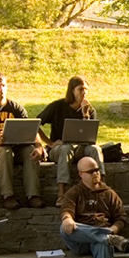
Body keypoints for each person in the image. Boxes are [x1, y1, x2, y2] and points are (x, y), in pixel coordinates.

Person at [59, 156, 127, 258]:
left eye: (97, 170)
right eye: (91, 171)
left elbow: (121, 218)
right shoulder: (74, 193)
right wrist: (67, 219)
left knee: (103, 245)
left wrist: (113, 230)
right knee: (64, 228)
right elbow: (66, 211)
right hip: (80, 239)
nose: (96, 173)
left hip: (100, 240)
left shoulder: (109, 193)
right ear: (81, 174)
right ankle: (107, 237)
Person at [0, 71, 45, 210]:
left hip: (16, 148)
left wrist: (39, 147)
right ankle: (8, 196)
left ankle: (33, 195)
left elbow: (31, 130)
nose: (1, 89)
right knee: (4, 152)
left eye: (4, 85)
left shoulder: (16, 108)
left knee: (30, 151)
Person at [39, 76, 103, 207]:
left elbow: (90, 137)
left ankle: (100, 188)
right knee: (66, 148)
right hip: (60, 149)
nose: (84, 93)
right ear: (72, 91)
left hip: (81, 148)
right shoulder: (57, 106)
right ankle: (61, 194)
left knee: (95, 149)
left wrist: (85, 115)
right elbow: (35, 124)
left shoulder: (90, 110)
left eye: (86, 90)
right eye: (80, 89)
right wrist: (50, 143)